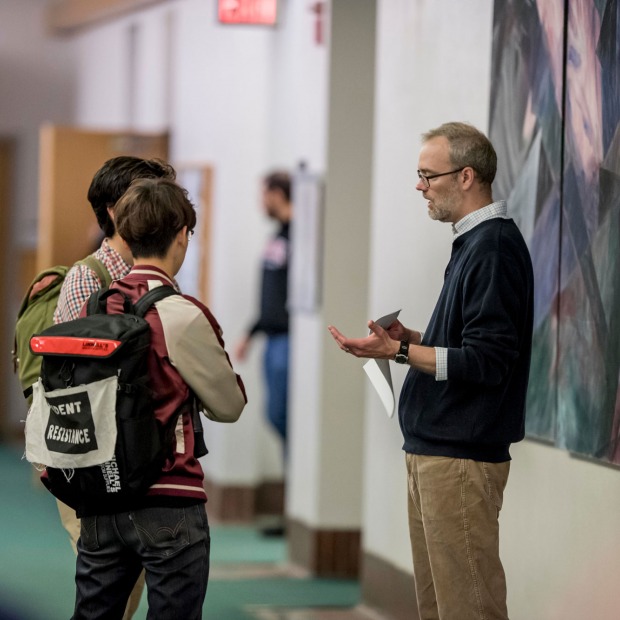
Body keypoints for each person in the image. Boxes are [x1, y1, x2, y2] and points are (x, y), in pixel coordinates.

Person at [328, 122, 534, 620]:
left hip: (459, 458)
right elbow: (468, 346)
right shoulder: (474, 242)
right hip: (436, 452)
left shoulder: (495, 246)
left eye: (427, 174)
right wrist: (409, 342)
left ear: (466, 177)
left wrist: (398, 355)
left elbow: (486, 362)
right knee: (439, 608)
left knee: (468, 609)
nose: (419, 186)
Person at [71, 177, 247, 619]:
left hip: (102, 493)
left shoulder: (97, 306)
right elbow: (229, 405)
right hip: (168, 497)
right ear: (183, 235)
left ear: (124, 235)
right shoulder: (181, 314)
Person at [53, 155, 177, 619]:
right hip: (96, 458)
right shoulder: (89, 276)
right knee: (108, 594)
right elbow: (67, 376)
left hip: (138, 455)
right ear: (112, 211)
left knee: (131, 589)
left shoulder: (158, 275)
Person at [235, 171, 292, 451]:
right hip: (271, 339)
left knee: (282, 415)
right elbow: (272, 295)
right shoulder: (278, 236)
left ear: (277, 195)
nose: (261, 203)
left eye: (263, 195)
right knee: (274, 415)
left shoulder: (298, 237)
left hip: (288, 340)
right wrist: (250, 333)